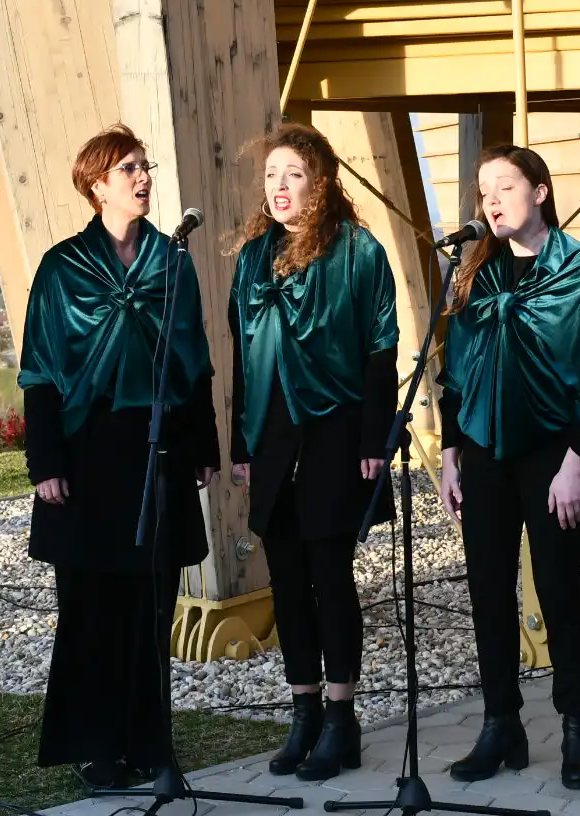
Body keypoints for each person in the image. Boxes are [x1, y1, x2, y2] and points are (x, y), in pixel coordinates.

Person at [20, 124, 220, 789]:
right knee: (92, 607)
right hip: (86, 453)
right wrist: (45, 462)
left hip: (157, 449)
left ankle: (150, 742)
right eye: (128, 168)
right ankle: (92, 744)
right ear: (97, 183)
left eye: (145, 166)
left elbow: (195, 363)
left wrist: (201, 446)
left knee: (152, 606)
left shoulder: (173, 262)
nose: (143, 177)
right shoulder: (61, 267)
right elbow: (40, 372)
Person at [436, 145, 580, 790]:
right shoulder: (473, 275)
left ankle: (576, 727)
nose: (490, 200)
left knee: (561, 589)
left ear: (539, 192)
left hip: (553, 452)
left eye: (504, 186)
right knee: (487, 590)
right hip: (484, 451)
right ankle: (500, 724)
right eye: (483, 190)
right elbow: (454, 371)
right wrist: (451, 452)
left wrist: (576, 463)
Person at [227, 123, 400, 782]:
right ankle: (300, 712)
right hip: (274, 433)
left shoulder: (359, 252)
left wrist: (372, 439)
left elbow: (381, 347)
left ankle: (340, 719)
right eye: (271, 174)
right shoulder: (252, 259)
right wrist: (243, 442)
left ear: (320, 181)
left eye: (293, 174)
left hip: (337, 433)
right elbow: (242, 355)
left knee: (330, 579)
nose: (279, 186)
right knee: (287, 584)